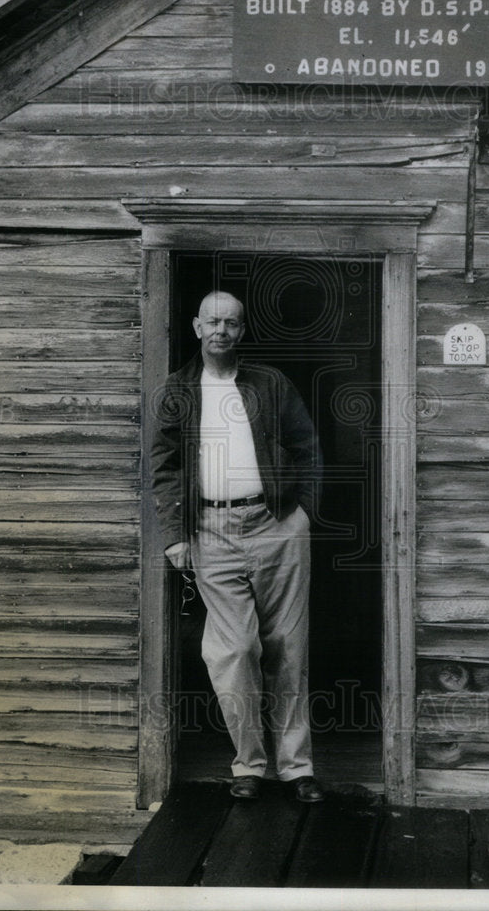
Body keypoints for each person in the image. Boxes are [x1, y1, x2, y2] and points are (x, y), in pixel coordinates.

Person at [151, 290, 325, 802]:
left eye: (231, 323)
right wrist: (176, 535)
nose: (221, 331)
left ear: (242, 331)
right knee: (234, 650)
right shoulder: (177, 390)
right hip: (212, 530)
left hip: (277, 526)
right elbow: (162, 467)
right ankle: (248, 764)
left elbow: (307, 446)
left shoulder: (269, 384)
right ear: (196, 327)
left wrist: (303, 516)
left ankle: (297, 767)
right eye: (213, 322)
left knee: (288, 649)